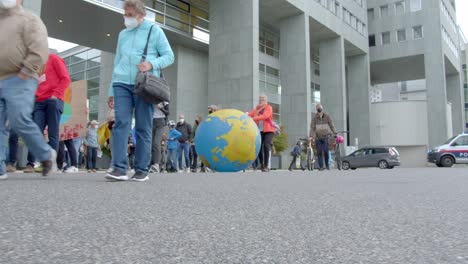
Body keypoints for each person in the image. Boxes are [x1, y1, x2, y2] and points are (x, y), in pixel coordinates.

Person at [105, 0, 174, 182]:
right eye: (125, 14)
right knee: (121, 123)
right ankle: (119, 168)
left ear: (141, 15)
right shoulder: (123, 34)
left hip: (143, 84)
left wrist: (151, 64)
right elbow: (117, 61)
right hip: (121, 82)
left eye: (130, 15)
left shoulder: (154, 31)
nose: (126, 18)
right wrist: (111, 90)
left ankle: (141, 169)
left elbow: (169, 56)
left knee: (143, 126)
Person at [0, 0, 56, 180]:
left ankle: (46, 154)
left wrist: (27, 70)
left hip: (20, 77)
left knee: (19, 121)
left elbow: (39, 47)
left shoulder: (29, 20)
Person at [24, 53, 70, 173]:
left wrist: (56, 94)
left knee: (52, 133)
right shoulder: (35, 64)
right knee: (36, 131)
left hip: (54, 100)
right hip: (39, 101)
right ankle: (32, 163)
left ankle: (50, 163)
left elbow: (65, 78)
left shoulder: (54, 58)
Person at [249, 95, 274, 172]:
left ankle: (266, 166)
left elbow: (265, 116)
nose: (262, 100)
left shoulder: (269, 108)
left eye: (263, 99)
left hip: (268, 130)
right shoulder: (257, 109)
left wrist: (253, 118)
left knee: (266, 145)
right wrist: (243, 115)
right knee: (259, 147)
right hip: (259, 131)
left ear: (266, 100)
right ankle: (262, 164)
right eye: (260, 99)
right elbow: (250, 114)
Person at [310, 103, 336, 170]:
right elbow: (312, 128)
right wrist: (311, 136)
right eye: (317, 108)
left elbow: (331, 125)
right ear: (316, 109)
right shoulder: (314, 118)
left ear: (322, 108)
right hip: (318, 137)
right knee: (319, 152)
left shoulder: (327, 116)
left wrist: (334, 132)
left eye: (320, 108)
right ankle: (321, 166)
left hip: (325, 137)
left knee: (325, 151)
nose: (319, 109)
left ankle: (327, 165)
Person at [150, 101, 169, 173]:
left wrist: (161, 108)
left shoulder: (164, 99)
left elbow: (168, 112)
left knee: (156, 143)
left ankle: (156, 164)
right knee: (151, 144)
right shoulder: (150, 97)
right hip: (151, 121)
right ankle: (151, 164)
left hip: (160, 121)